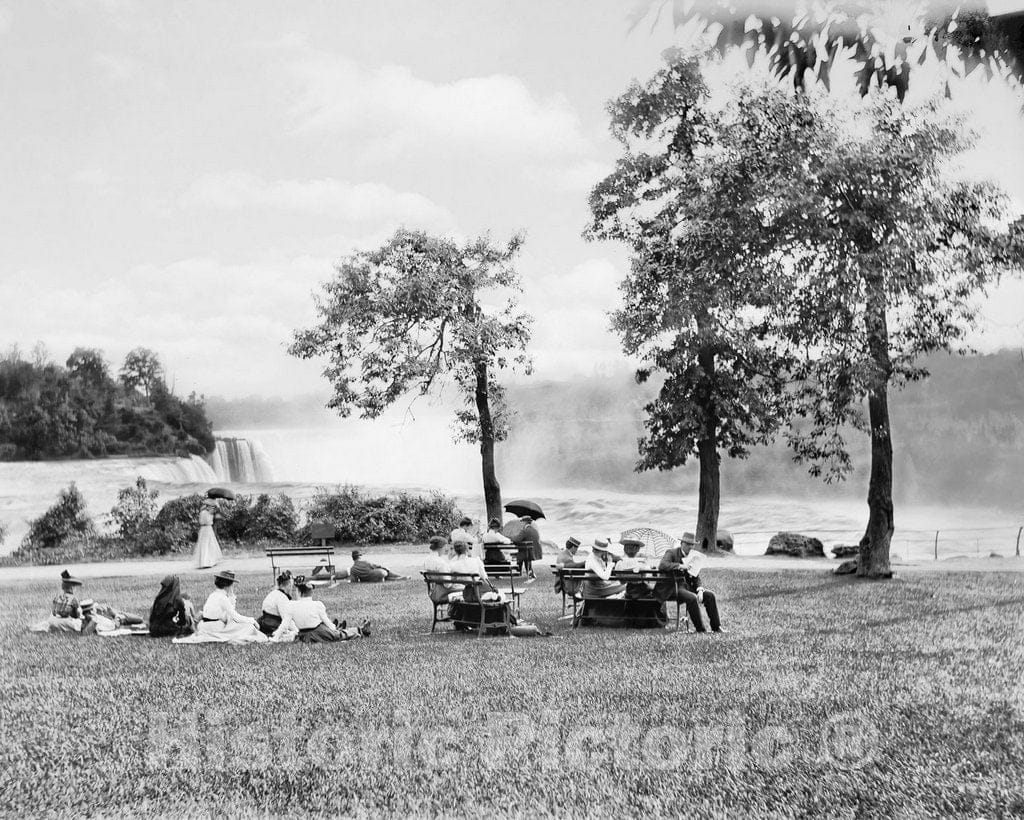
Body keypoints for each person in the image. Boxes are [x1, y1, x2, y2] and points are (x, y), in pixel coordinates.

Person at [655, 535, 723, 633]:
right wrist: (681, 566)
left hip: (687, 587)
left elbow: (695, 575)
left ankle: (716, 627)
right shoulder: (671, 553)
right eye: (687, 544)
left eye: (692, 545)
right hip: (672, 587)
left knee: (710, 595)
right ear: (681, 543)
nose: (690, 547)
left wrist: (699, 589)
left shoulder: (693, 557)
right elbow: (662, 565)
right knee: (692, 598)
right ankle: (701, 629)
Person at [180, 570, 267, 644]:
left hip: (203, 626)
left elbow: (226, 616)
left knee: (238, 625)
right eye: (232, 585)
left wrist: (232, 599)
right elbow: (236, 617)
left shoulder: (213, 595)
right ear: (228, 585)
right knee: (248, 627)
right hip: (214, 627)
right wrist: (252, 620)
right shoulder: (222, 598)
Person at [272, 580, 369, 643]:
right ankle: (359, 630)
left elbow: (284, 624)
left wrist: (275, 638)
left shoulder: (291, 605)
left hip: (303, 635)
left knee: (336, 634)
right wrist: (333, 629)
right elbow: (327, 622)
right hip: (319, 632)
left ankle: (357, 629)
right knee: (339, 635)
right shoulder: (317, 604)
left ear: (300, 593)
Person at [423, 535, 464, 604]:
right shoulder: (441, 563)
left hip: (434, 591)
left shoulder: (427, 560)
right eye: (445, 547)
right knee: (470, 589)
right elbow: (448, 585)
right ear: (441, 547)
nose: (446, 550)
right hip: (443, 594)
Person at [257, 570, 296, 636]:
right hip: (272, 625)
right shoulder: (282, 598)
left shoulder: (273, 594)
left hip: (263, 623)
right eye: (291, 585)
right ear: (289, 585)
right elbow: (286, 619)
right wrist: (296, 630)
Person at [193, 498, 222, 569]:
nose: (211, 508)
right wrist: (212, 513)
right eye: (209, 506)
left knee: (211, 544)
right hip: (205, 529)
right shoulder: (204, 513)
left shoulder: (209, 513)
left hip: (209, 529)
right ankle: (205, 562)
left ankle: (211, 561)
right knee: (204, 545)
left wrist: (214, 512)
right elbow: (204, 521)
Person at [515, 515, 541, 580]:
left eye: (522, 522)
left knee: (520, 553)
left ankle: (519, 570)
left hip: (527, 552)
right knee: (522, 552)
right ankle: (528, 571)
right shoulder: (534, 530)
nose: (521, 523)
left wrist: (511, 538)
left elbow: (517, 539)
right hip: (533, 551)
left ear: (525, 522)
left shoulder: (524, 531)